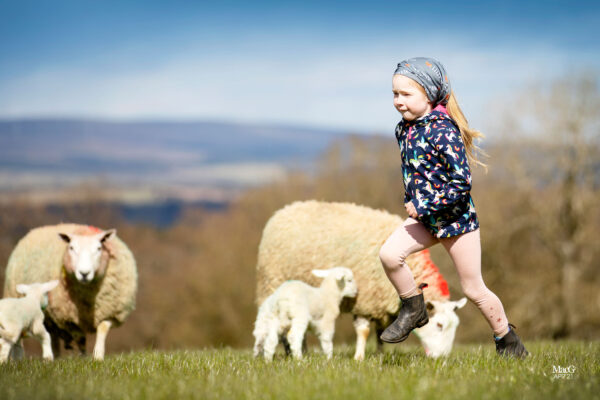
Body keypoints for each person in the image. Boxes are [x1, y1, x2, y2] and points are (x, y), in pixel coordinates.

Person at [378, 57, 528, 358]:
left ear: (430, 95)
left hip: (457, 223)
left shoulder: (443, 130)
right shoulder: (403, 129)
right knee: (389, 255)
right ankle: (414, 307)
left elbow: (461, 183)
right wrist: (413, 199)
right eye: (395, 94)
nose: (398, 101)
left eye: (406, 94)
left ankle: (507, 341)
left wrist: (422, 204)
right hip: (426, 221)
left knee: (473, 289)